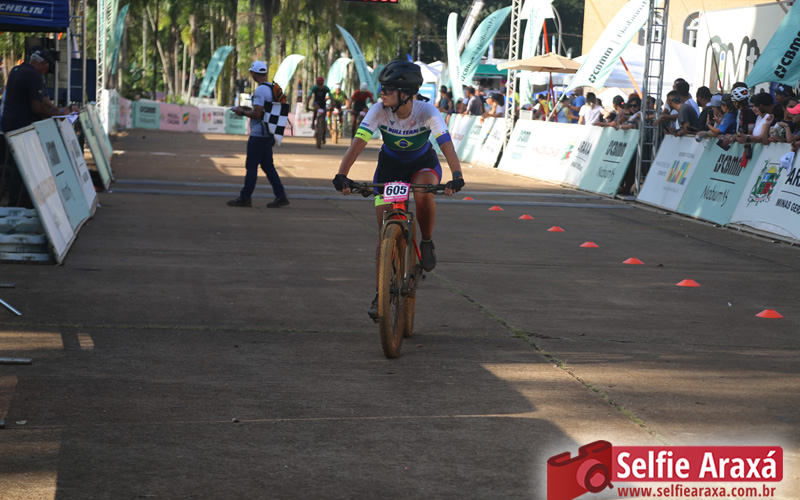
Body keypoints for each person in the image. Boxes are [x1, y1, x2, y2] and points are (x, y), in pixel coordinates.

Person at [332, 60, 464, 319]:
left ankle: (427, 242)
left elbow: (446, 145)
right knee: (384, 234)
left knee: (423, 193)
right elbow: (357, 144)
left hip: (422, 164)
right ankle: (381, 291)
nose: (382, 93)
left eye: (389, 89)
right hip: (390, 167)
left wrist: (457, 175)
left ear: (406, 93)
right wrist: (342, 174)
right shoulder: (379, 110)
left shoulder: (427, 111)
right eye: (382, 88)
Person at [1, 47, 76, 207]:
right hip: (23, 127)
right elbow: (37, 106)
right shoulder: (34, 76)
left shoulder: (16, 70)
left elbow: (43, 100)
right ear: (44, 64)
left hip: (9, 124)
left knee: (15, 164)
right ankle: (19, 202)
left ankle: (15, 200)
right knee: (24, 166)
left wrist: (56, 110)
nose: (45, 72)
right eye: (47, 69)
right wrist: (54, 115)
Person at [226, 61, 289, 208]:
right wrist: (246, 108)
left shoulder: (260, 90)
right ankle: (281, 196)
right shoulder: (271, 88)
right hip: (269, 133)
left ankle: (245, 197)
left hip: (259, 134)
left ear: (254, 73)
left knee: (251, 166)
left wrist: (242, 112)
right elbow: (263, 110)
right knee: (268, 167)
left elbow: (257, 114)